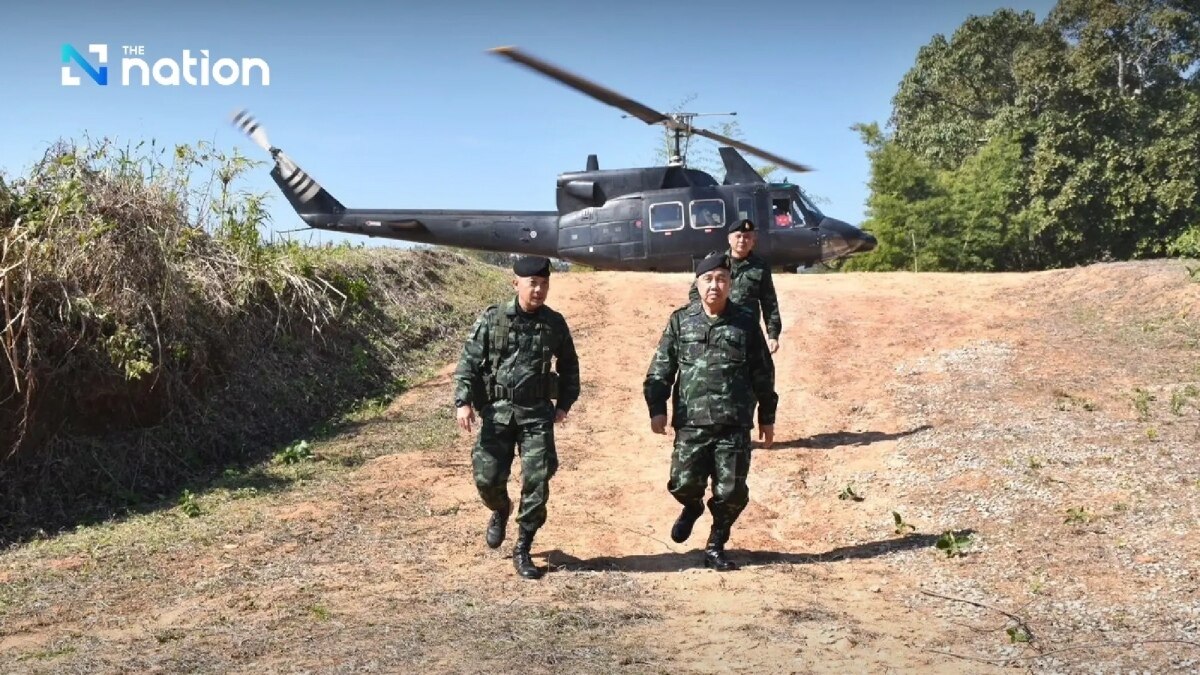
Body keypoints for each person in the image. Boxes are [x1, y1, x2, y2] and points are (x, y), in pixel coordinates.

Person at [645, 252, 778, 571]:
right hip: (692, 424)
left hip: (734, 423)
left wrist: (767, 416)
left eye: (721, 279)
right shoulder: (681, 320)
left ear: (730, 283)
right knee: (682, 484)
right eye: (708, 279)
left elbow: (763, 371)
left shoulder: (746, 323)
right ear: (698, 283)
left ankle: (716, 543)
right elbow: (661, 368)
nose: (714, 285)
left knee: (731, 491)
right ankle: (692, 507)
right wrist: (657, 407)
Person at [453, 255, 580, 580]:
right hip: (496, 412)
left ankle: (522, 547)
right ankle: (499, 509)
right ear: (516, 284)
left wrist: (564, 402)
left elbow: (569, 365)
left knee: (537, 480)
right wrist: (463, 401)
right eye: (532, 283)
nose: (538, 290)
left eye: (544, 284)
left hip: (537, 413)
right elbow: (468, 361)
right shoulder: (493, 318)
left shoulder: (554, 323)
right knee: (487, 479)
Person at [687, 219, 782, 354]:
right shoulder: (715, 262)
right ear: (729, 239)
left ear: (753, 240)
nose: (742, 240)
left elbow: (769, 303)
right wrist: (704, 317)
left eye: (747, 237)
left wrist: (773, 335)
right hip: (716, 327)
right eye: (738, 236)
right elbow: (695, 293)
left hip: (746, 330)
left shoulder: (760, 267)